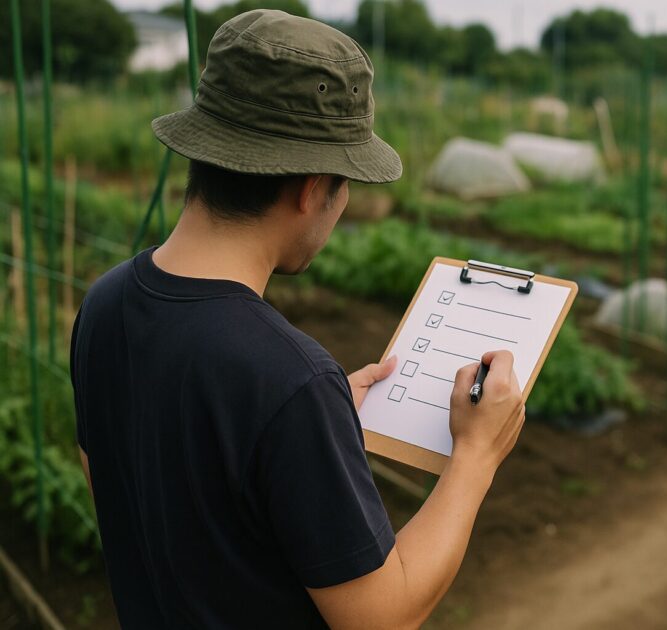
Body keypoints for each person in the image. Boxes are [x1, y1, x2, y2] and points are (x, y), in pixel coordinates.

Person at [70, 10, 525, 629]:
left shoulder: (104, 303)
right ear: (313, 188)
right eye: (344, 188)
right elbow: (380, 618)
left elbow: (123, 498)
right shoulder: (288, 379)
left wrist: (307, 436)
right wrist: (475, 455)